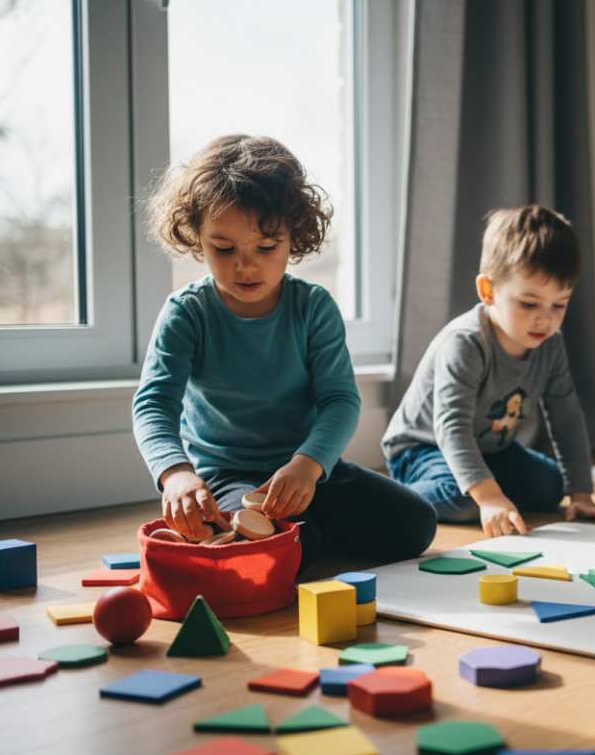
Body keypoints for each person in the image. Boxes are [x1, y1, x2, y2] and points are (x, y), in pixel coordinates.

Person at [133, 134, 436, 571]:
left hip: (307, 470)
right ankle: (288, 535)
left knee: (415, 524)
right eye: (224, 248)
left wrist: (308, 466)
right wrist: (176, 473)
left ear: (295, 235)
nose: (245, 265)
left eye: (267, 246)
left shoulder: (314, 307)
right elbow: (154, 405)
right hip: (229, 477)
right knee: (289, 548)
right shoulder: (186, 313)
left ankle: (295, 532)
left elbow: (340, 400)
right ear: (197, 236)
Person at [383, 205, 595, 537]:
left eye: (559, 304)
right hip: (424, 449)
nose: (546, 319)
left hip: (492, 449)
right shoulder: (465, 343)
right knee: (467, 501)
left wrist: (581, 495)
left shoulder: (550, 344)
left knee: (553, 486)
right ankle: (388, 496)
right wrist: (489, 497)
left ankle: (484, 483)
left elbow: (566, 418)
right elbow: (452, 429)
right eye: (529, 304)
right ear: (488, 291)